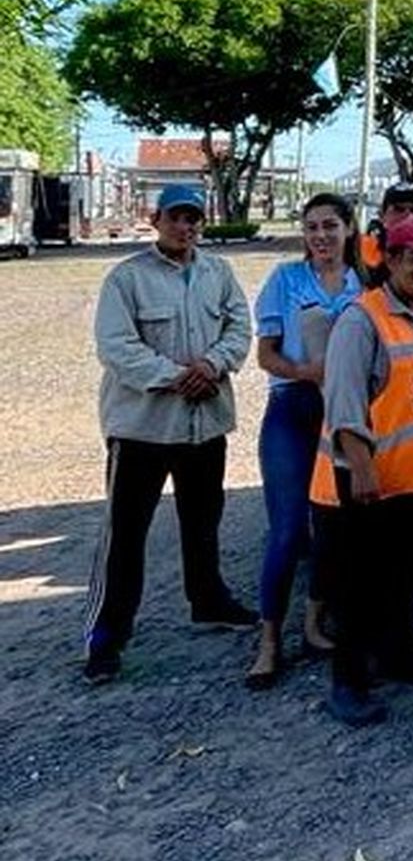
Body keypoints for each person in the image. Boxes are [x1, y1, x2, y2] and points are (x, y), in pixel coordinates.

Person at [83, 185, 253, 684]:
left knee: (203, 521)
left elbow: (239, 329)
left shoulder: (218, 273)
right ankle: (105, 635)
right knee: (124, 535)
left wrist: (213, 364)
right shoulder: (127, 279)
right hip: (141, 430)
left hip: (205, 426)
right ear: (155, 219)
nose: (187, 228)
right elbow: (115, 347)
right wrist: (178, 376)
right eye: (177, 218)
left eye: (195, 219)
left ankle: (208, 600)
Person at [309, 216, 413, 725]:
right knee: (359, 587)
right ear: (389, 260)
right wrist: (359, 466)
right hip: (369, 483)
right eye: (412, 256)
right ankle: (348, 683)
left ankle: (403, 658)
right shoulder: (363, 320)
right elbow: (343, 403)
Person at [245, 194, 365, 690]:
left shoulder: (366, 284)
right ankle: (268, 639)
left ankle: (314, 624)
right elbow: (266, 355)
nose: (320, 236)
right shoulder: (285, 282)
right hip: (293, 410)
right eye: (312, 227)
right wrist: (304, 372)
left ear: (348, 229)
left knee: (333, 525)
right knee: (289, 528)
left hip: (343, 414)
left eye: (330, 226)